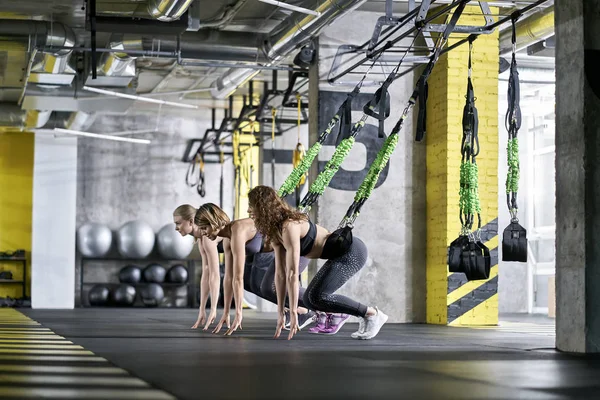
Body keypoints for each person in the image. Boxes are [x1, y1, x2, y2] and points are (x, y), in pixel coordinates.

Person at [247, 185, 388, 341]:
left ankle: (373, 314)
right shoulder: (276, 232)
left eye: (251, 206)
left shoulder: (290, 226)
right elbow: (280, 275)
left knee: (315, 297)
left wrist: (293, 312)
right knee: (310, 298)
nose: (248, 211)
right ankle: (357, 314)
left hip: (352, 252)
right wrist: (281, 312)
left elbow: (292, 274)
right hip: (338, 255)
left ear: (263, 207)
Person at [194, 203, 316, 336]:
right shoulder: (227, 239)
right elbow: (229, 277)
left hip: (301, 243)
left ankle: (322, 307)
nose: (203, 233)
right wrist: (227, 312)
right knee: (254, 284)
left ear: (213, 222)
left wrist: (239, 313)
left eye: (204, 228)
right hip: (280, 249)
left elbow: (237, 278)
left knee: (270, 286)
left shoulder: (237, 231)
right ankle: (306, 311)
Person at [173, 204, 226, 331]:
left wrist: (213, 309)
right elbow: (206, 273)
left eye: (178, 223)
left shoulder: (207, 238)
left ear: (191, 221)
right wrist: (202, 309)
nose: (176, 228)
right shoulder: (201, 238)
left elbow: (215, 274)